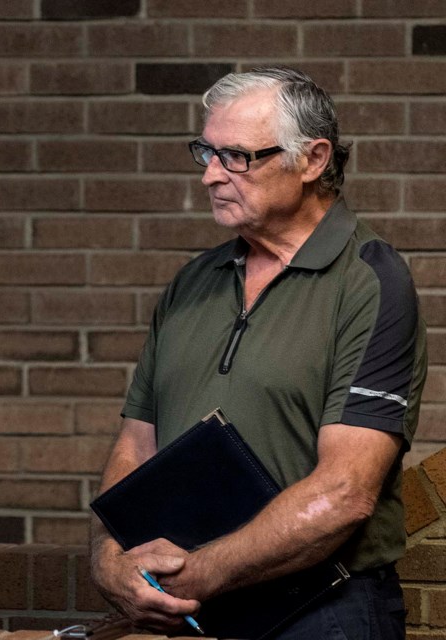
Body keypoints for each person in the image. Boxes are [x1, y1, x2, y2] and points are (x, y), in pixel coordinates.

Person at [90, 67, 426, 638]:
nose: (210, 177)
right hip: (188, 616)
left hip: (322, 614)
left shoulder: (370, 281)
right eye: (206, 152)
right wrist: (108, 561)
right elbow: (134, 445)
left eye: (237, 157)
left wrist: (198, 574)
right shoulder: (192, 282)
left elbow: (345, 493)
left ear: (314, 159)